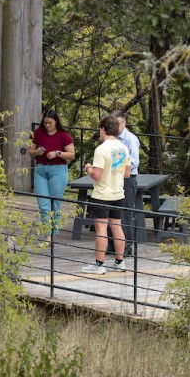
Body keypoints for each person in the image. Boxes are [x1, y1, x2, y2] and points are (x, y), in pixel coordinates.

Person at [81, 115, 131, 275]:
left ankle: (99, 265)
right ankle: (120, 262)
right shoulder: (123, 148)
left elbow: (97, 175)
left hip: (102, 194)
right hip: (118, 193)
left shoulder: (101, 149)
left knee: (101, 229)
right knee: (117, 227)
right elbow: (127, 173)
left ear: (103, 129)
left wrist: (88, 168)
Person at [26, 109, 76, 245]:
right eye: (45, 123)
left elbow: (72, 154)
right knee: (43, 204)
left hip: (58, 170)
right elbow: (30, 151)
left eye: (50, 123)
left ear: (56, 122)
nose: (48, 125)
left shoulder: (64, 135)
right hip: (41, 169)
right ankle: (47, 235)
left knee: (55, 203)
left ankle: (52, 235)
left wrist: (57, 153)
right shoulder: (38, 133)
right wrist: (37, 151)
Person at [106, 110, 140, 256]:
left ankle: (126, 246)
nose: (115, 126)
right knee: (111, 210)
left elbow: (134, 162)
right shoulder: (109, 139)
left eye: (118, 123)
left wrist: (116, 166)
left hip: (127, 178)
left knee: (125, 212)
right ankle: (112, 245)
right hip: (112, 178)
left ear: (124, 123)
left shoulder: (130, 139)